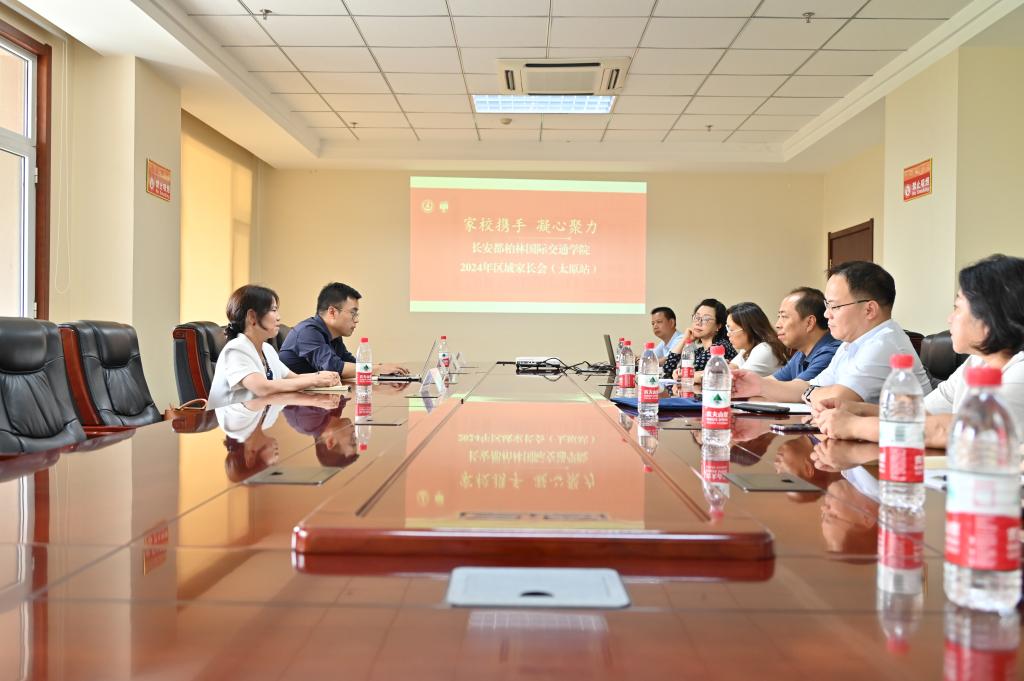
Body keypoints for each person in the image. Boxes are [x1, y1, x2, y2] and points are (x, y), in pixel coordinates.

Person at [814, 254, 1024, 448]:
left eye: (957, 307)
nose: (949, 319)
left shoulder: (1019, 371)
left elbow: (953, 430)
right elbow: (921, 413)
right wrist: (857, 410)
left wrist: (855, 426)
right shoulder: (977, 362)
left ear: (990, 316)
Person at [732, 261, 930, 407]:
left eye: (834, 306)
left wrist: (812, 392)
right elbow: (809, 387)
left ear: (869, 310)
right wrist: (757, 385)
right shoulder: (849, 344)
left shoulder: (884, 344)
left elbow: (837, 398)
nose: (826, 314)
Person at [207, 285, 340, 407]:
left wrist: (323, 376)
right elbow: (263, 388)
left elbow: (295, 378)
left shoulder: (267, 349)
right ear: (252, 316)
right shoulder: (236, 349)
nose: (278, 317)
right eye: (273, 310)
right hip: (229, 423)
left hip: (255, 418)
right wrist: (315, 380)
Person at [278, 282, 407, 379]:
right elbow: (333, 367)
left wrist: (381, 368)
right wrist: (376, 369)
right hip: (292, 402)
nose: (356, 320)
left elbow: (350, 363)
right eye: (353, 313)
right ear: (332, 312)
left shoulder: (333, 335)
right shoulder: (307, 332)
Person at [771, 287, 842, 382]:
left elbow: (797, 388)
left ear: (809, 323)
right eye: (779, 317)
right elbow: (772, 381)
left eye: (784, 316)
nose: (777, 325)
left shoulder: (829, 352)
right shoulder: (801, 354)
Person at [663, 298, 737, 380]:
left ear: (718, 325)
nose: (698, 322)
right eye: (697, 317)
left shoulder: (721, 346)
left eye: (706, 319)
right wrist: (684, 340)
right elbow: (667, 369)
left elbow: (688, 372)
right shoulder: (700, 351)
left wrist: (680, 372)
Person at [725, 302, 789, 377]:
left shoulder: (764, 349)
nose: (728, 334)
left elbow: (734, 379)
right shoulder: (748, 348)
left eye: (731, 330)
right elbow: (731, 368)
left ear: (748, 329)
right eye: (727, 329)